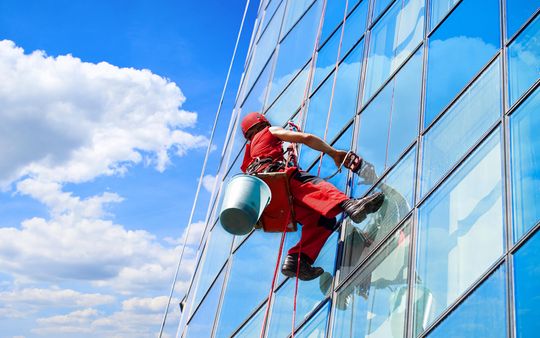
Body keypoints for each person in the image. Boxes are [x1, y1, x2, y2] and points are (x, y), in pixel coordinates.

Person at [240, 112, 385, 281]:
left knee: (322, 221)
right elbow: (306, 138)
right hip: (275, 178)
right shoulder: (269, 131)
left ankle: (298, 260)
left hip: (268, 200)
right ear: (262, 123)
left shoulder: (249, 152)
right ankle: (351, 205)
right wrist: (333, 153)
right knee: (312, 184)